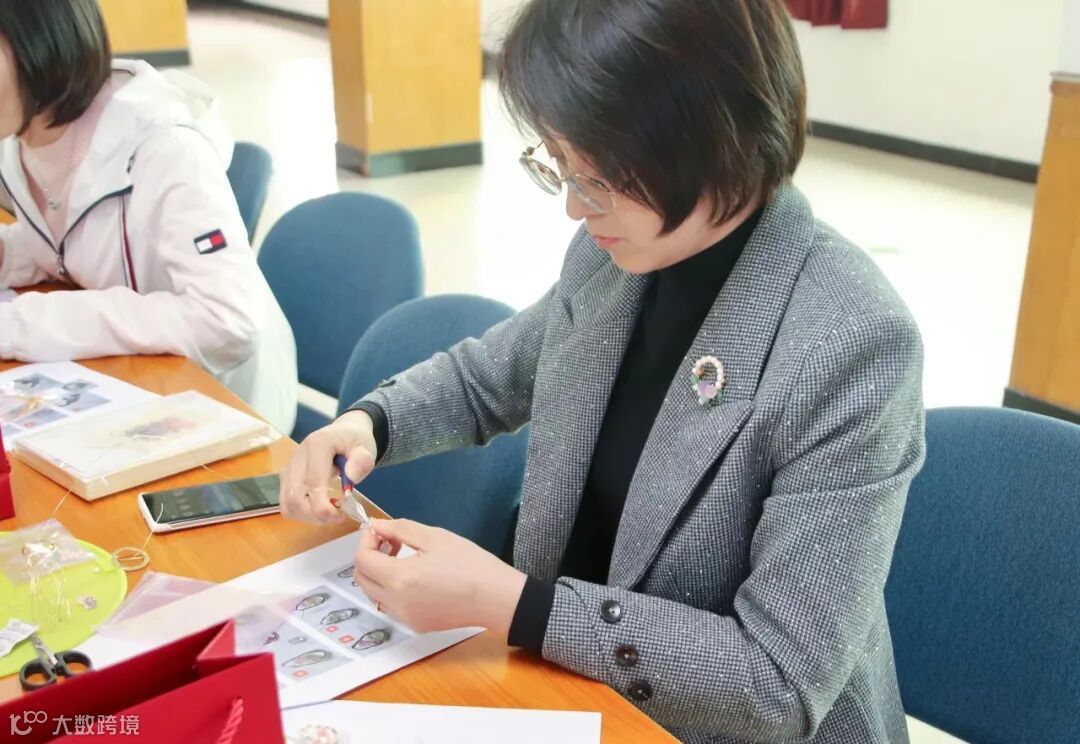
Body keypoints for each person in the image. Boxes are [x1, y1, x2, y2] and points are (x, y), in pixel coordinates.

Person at [281, 1, 925, 741]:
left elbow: (778, 681)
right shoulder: (614, 256)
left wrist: (516, 606)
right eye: (561, 166)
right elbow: (489, 377)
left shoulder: (851, 343)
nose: (574, 207)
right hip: (571, 688)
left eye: (599, 175)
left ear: (711, 136)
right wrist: (371, 423)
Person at [0, 0, 297, 433]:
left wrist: (22, 323)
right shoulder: (20, 141)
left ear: (42, 38)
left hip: (228, 410)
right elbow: (71, 238)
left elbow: (227, 321)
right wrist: (10, 255)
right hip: (130, 388)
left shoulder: (164, 145)